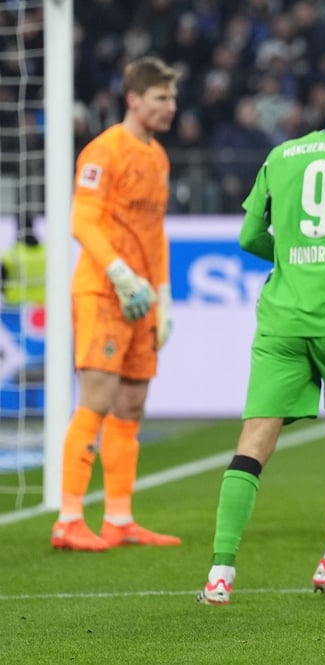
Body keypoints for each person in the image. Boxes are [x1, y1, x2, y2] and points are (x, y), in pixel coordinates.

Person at [197, 62, 325, 605]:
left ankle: (220, 573)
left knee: (254, 440)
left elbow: (249, 236)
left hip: (282, 318)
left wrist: (293, 261)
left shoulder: (281, 156)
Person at [50, 57, 180, 552]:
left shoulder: (159, 158)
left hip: (143, 299)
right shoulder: (103, 151)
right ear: (134, 99)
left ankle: (120, 517)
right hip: (105, 292)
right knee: (97, 401)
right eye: (161, 98)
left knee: (132, 404)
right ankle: (67, 518)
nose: (171, 107)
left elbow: (155, 233)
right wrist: (122, 275)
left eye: (171, 98)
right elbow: (82, 222)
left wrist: (163, 298)